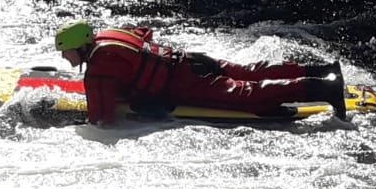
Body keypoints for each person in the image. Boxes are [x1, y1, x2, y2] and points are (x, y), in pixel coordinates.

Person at [53, 21, 349, 126]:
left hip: (186, 83)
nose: (64, 57)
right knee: (250, 72)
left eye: (65, 51)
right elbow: (145, 34)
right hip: (189, 59)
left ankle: (324, 89)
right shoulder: (109, 34)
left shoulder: (99, 68)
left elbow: (101, 118)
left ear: (81, 47)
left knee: (249, 97)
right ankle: (324, 71)